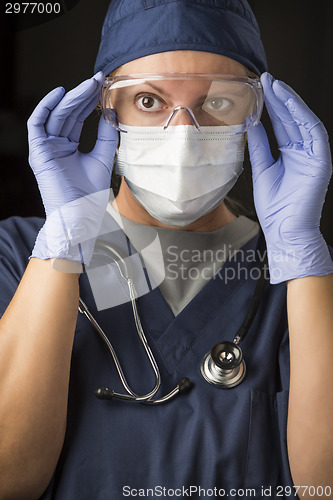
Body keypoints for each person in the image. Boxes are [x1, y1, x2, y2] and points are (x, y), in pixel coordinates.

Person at [0, 1, 333, 499]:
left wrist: (301, 256)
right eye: (150, 102)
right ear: (107, 110)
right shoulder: (17, 253)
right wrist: (65, 242)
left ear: (254, 113)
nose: (183, 135)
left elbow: (322, 487)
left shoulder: (299, 279)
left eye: (217, 101)